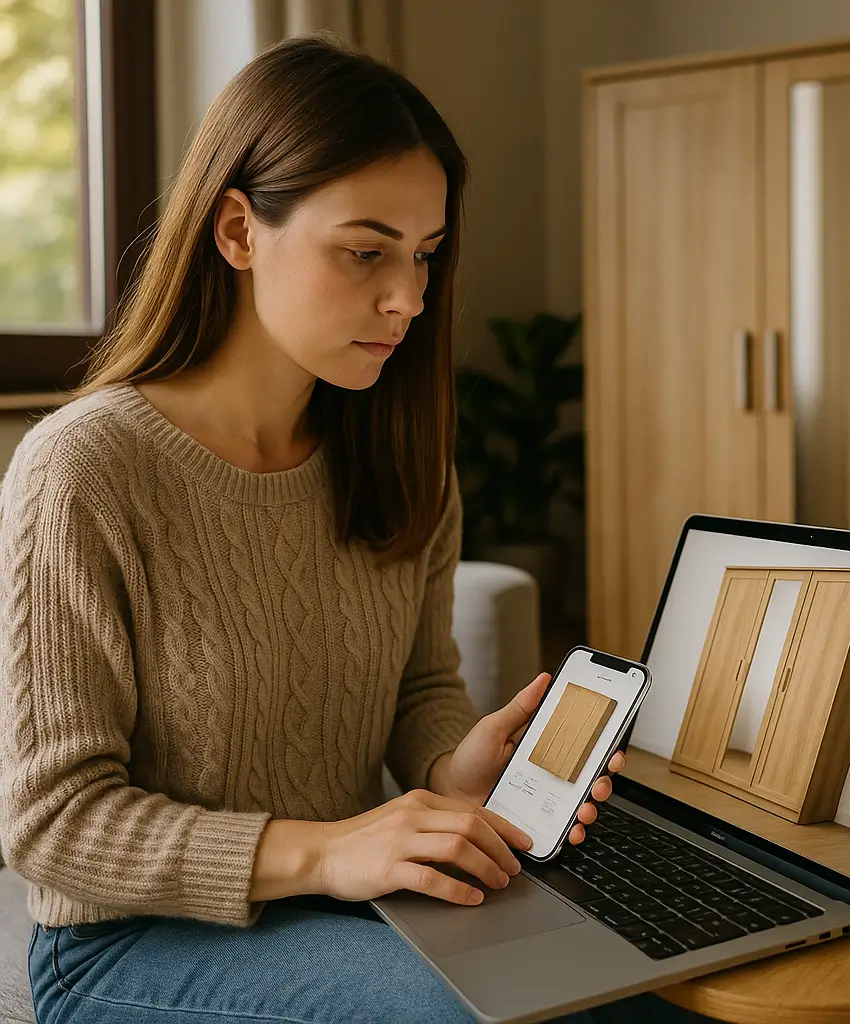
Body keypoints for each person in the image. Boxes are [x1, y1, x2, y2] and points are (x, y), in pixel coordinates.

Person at [0, 35, 699, 1024]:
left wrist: (456, 770)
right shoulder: (84, 470)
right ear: (238, 231)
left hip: (355, 896)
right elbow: (50, 823)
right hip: (137, 941)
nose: (408, 298)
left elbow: (419, 688)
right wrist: (326, 850)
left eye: (424, 255)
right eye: (366, 251)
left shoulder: (399, 452)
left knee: (649, 986)